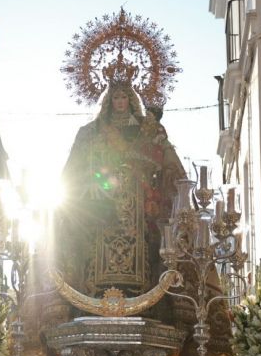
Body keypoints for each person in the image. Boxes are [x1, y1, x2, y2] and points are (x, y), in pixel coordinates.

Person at [57, 76, 184, 300]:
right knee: (96, 248)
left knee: (143, 251)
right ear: (109, 100)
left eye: (124, 96)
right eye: (115, 96)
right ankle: (95, 292)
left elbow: (169, 162)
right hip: (101, 207)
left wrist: (179, 187)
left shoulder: (147, 129)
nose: (120, 101)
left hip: (139, 209)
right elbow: (73, 171)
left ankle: (144, 294)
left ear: (131, 99)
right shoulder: (92, 132)